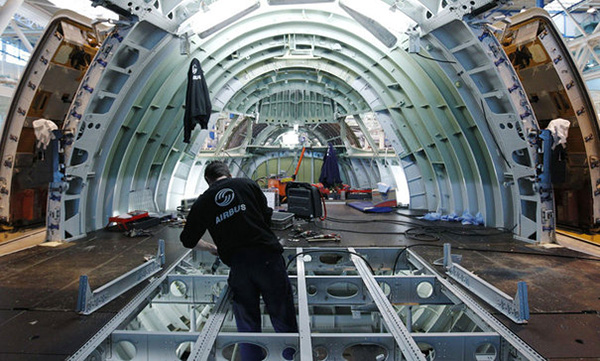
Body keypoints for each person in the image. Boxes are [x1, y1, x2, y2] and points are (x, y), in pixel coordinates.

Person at [180, 161, 298, 361]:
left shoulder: (203, 201)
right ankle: (291, 357)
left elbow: (187, 240)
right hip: (267, 259)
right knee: (282, 315)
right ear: (228, 173)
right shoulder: (247, 184)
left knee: (247, 324)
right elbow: (266, 216)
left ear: (208, 180)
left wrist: (212, 248)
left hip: (239, 266)